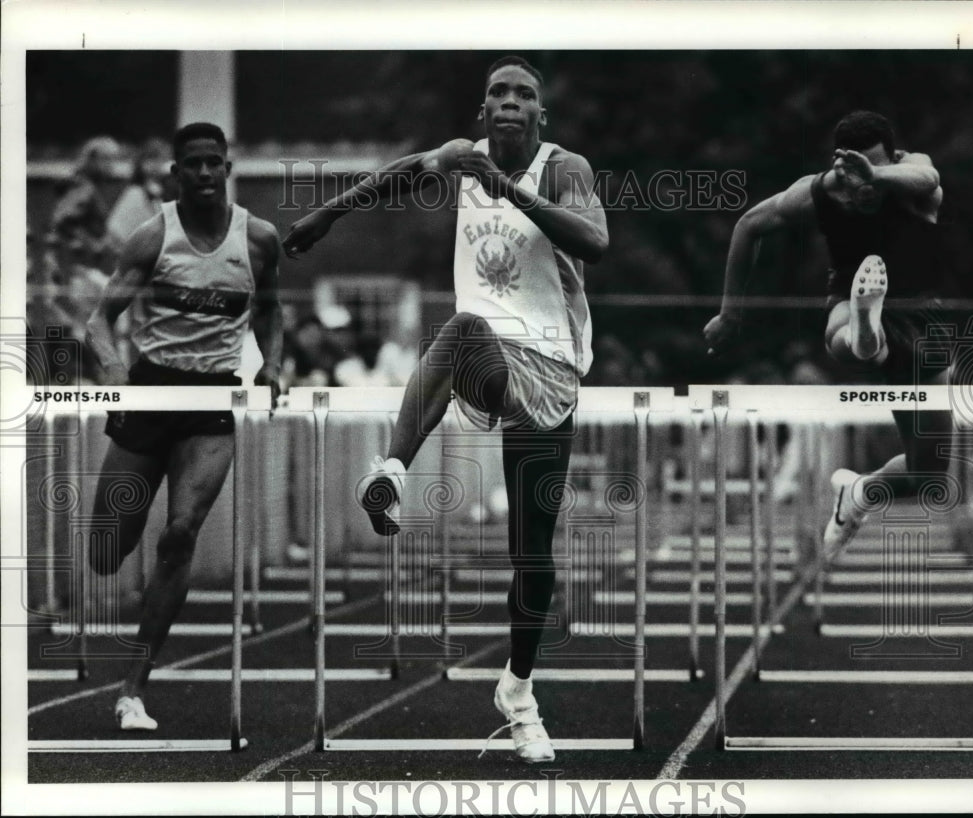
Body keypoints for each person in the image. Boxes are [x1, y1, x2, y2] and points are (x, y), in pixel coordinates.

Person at [283, 56, 608, 763]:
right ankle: (393, 470)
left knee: (533, 551)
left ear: (541, 115)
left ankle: (519, 689)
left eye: (526, 94)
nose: (512, 102)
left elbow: (595, 242)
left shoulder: (564, 167)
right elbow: (400, 172)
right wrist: (325, 216)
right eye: (500, 93)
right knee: (463, 327)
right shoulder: (463, 159)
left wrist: (500, 188)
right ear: (482, 112)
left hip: (550, 369)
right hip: (487, 353)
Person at [84, 122, 282, 731]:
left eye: (212, 163)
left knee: (180, 533)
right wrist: (116, 372)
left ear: (228, 168)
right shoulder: (152, 237)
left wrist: (270, 364)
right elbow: (99, 321)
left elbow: (270, 311)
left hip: (211, 398)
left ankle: (133, 688)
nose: (202, 173)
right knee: (105, 552)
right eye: (191, 164)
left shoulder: (259, 239)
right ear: (175, 171)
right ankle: (124, 570)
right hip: (148, 388)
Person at [703, 110, 954, 561]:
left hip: (923, 321)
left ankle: (856, 492)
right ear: (838, 164)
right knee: (849, 335)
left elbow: (927, 176)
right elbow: (748, 226)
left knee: (931, 478)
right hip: (848, 299)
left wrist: (875, 175)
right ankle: (864, 332)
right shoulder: (818, 191)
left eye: (871, 179)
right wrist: (729, 314)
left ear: (891, 159)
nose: (861, 191)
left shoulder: (912, 172)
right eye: (850, 177)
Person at [42, 135, 121, 383]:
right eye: (108, 159)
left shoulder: (85, 187)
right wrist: (93, 245)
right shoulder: (83, 188)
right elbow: (60, 222)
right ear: (94, 159)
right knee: (85, 330)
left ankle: (82, 379)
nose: (112, 166)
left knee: (80, 330)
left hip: (78, 269)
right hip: (78, 270)